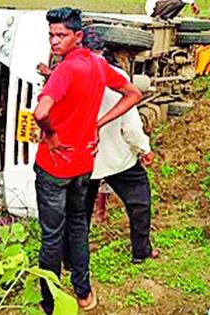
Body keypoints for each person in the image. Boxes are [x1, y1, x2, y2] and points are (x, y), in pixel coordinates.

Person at [33, 7, 142, 313]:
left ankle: (50, 301)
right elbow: (133, 94)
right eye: (51, 35)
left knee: (52, 236)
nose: (55, 41)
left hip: (55, 167)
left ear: (77, 36)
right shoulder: (97, 64)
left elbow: (40, 113)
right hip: (84, 164)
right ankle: (83, 294)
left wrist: (52, 139)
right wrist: (98, 123)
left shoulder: (66, 69)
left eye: (61, 35)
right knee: (79, 226)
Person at [81, 29, 160, 264]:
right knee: (139, 202)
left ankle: (72, 258)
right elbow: (132, 127)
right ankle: (141, 251)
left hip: (83, 160)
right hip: (116, 158)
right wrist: (144, 149)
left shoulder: (68, 75)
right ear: (102, 52)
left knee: (79, 213)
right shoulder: (115, 76)